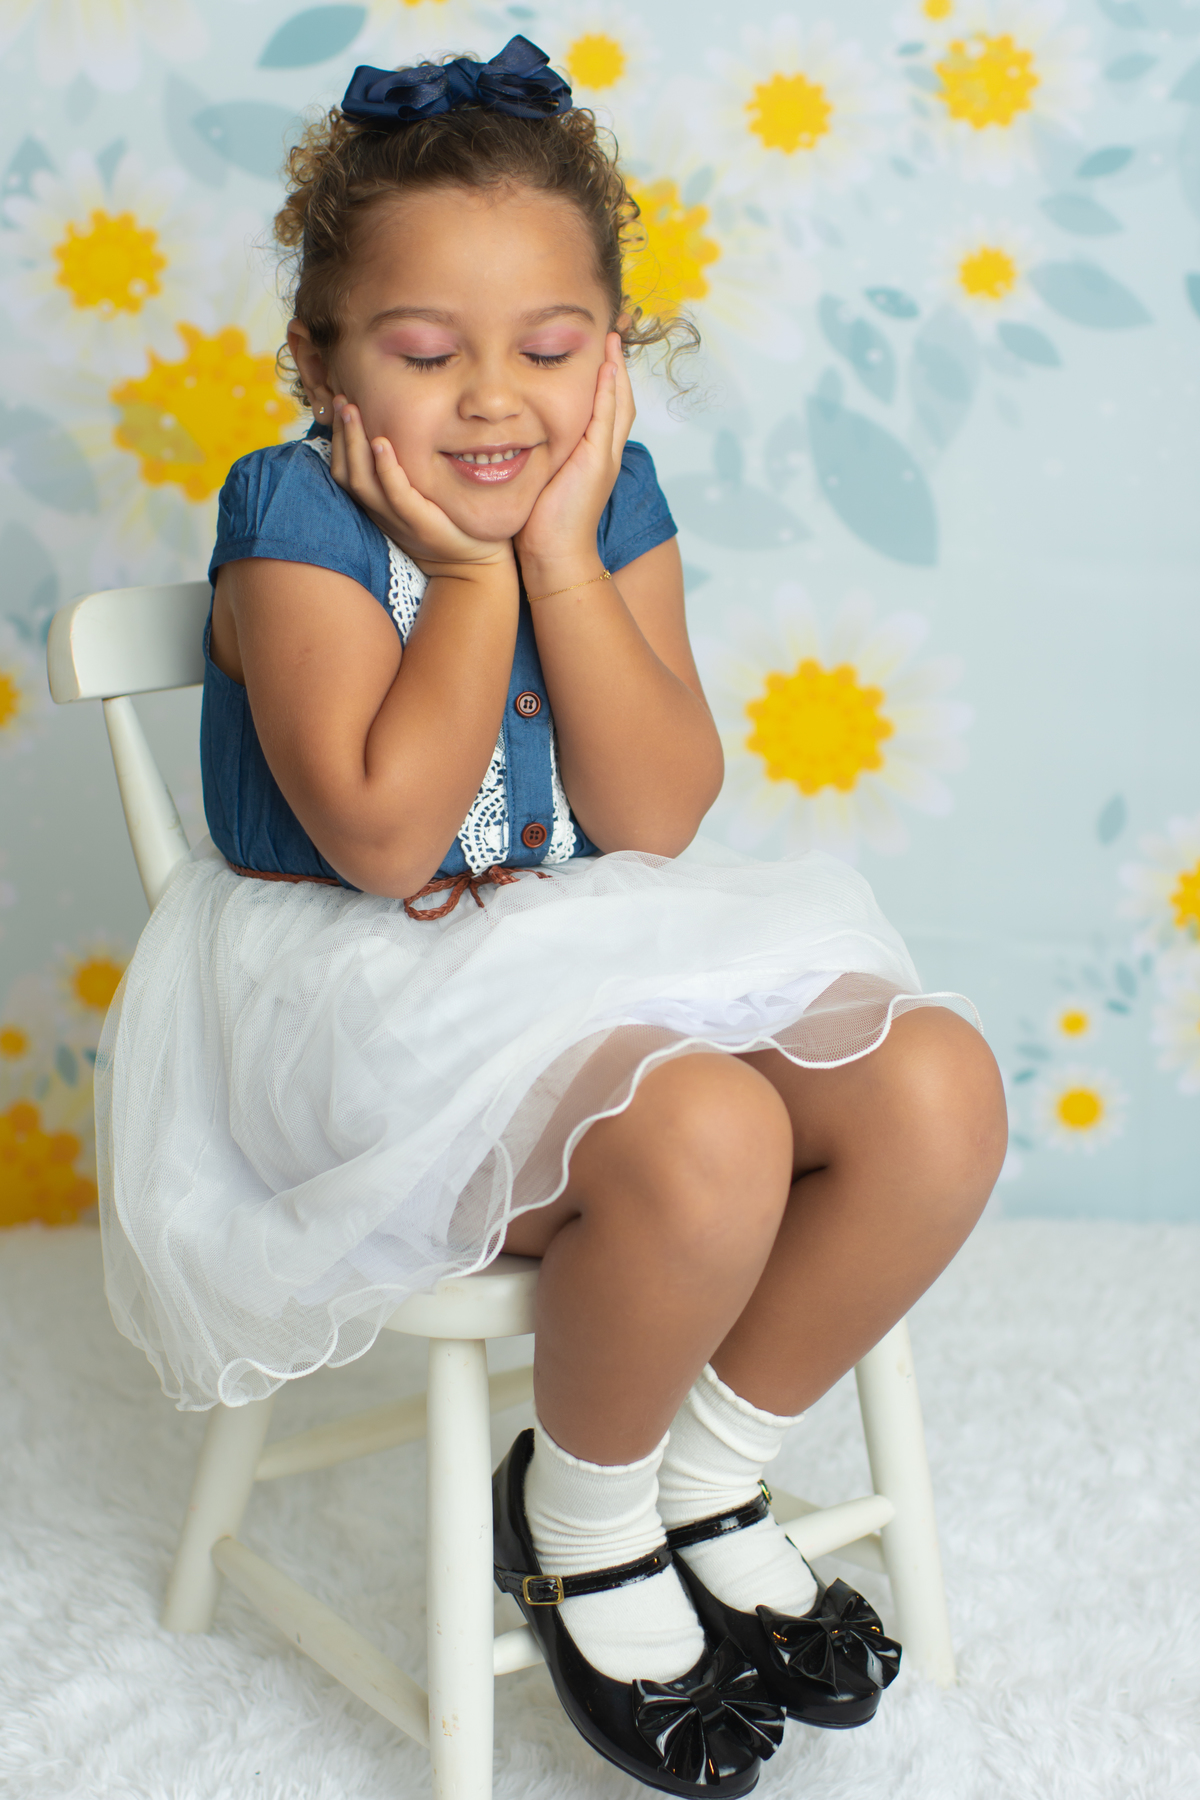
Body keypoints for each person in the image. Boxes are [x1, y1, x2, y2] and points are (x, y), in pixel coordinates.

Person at [96, 37, 1007, 1798]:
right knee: (710, 1130)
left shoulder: (609, 505)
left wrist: (566, 562)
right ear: (322, 362)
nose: (494, 400)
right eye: (426, 355)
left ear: (616, 355)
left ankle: (705, 1464)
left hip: (581, 957)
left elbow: (658, 814)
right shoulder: (297, 513)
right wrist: (458, 575)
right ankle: (581, 1521)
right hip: (359, 1001)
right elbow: (379, 834)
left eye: (550, 349)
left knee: (938, 1086)